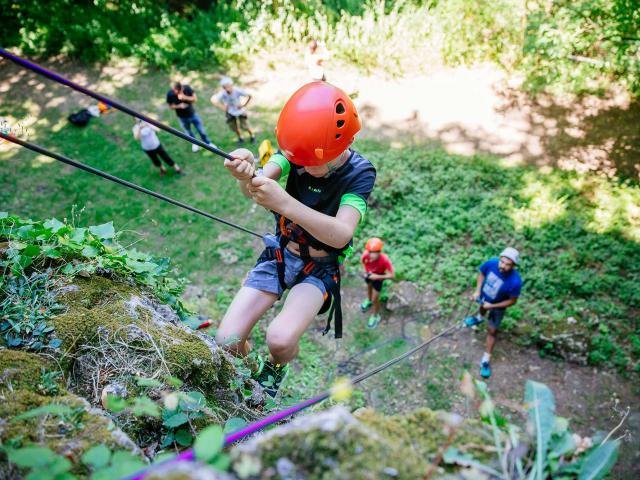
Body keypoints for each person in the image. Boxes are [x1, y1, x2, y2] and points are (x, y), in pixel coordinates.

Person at [215, 82, 376, 397]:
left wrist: (285, 203)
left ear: (341, 145)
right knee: (227, 342)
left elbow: (343, 233)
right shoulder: (298, 153)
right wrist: (245, 174)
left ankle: (276, 367)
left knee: (281, 338)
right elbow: (256, 188)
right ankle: (252, 369)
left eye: (311, 162)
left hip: (318, 268)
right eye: (297, 159)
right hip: (280, 254)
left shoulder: (360, 173)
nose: (304, 166)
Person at [464, 247, 523, 379]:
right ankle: (479, 318)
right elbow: (481, 273)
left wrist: (493, 305)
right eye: (502, 262)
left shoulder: (515, 282)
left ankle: (485, 360)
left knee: (492, 331)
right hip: (485, 296)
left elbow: (512, 301)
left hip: (497, 306)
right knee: (482, 307)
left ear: (513, 265)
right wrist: (477, 291)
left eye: (507, 264)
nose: (503, 266)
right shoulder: (492, 263)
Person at [166, 81, 215, 153]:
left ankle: (208, 143)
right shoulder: (170, 94)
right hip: (182, 117)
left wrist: (184, 97)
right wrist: (179, 106)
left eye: (178, 91)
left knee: (201, 130)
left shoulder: (187, 88)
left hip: (192, 114)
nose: (175, 93)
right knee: (188, 132)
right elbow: (171, 106)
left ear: (181, 88)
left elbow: (195, 99)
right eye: (174, 91)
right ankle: (195, 143)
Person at [360, 237, 395, 328]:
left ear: (379, 252)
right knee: (368, 287)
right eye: (369, 252)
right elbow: (363, 262)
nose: (371, 255)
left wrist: (377, 276)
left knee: (376, 298)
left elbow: (392, 275)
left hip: (378, 279)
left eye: (374, 252)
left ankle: (375, 315)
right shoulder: (365, 255)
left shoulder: (384, 260)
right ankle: (369, 300)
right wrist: (366, 272)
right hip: (369, 275)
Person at [210, 77, 255, 145]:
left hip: (240, 111)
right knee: (234, 127)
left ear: (231, 85)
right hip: (230, 112)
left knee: (245, 126)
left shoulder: (237, 91)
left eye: (229, 86)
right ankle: (240, 138)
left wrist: (243, 105)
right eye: (225, 87)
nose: (228, 89)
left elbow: (250, 95)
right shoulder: (223, 93)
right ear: (223, 88)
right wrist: (223, 107)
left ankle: (252, 136)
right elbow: (213, 99)